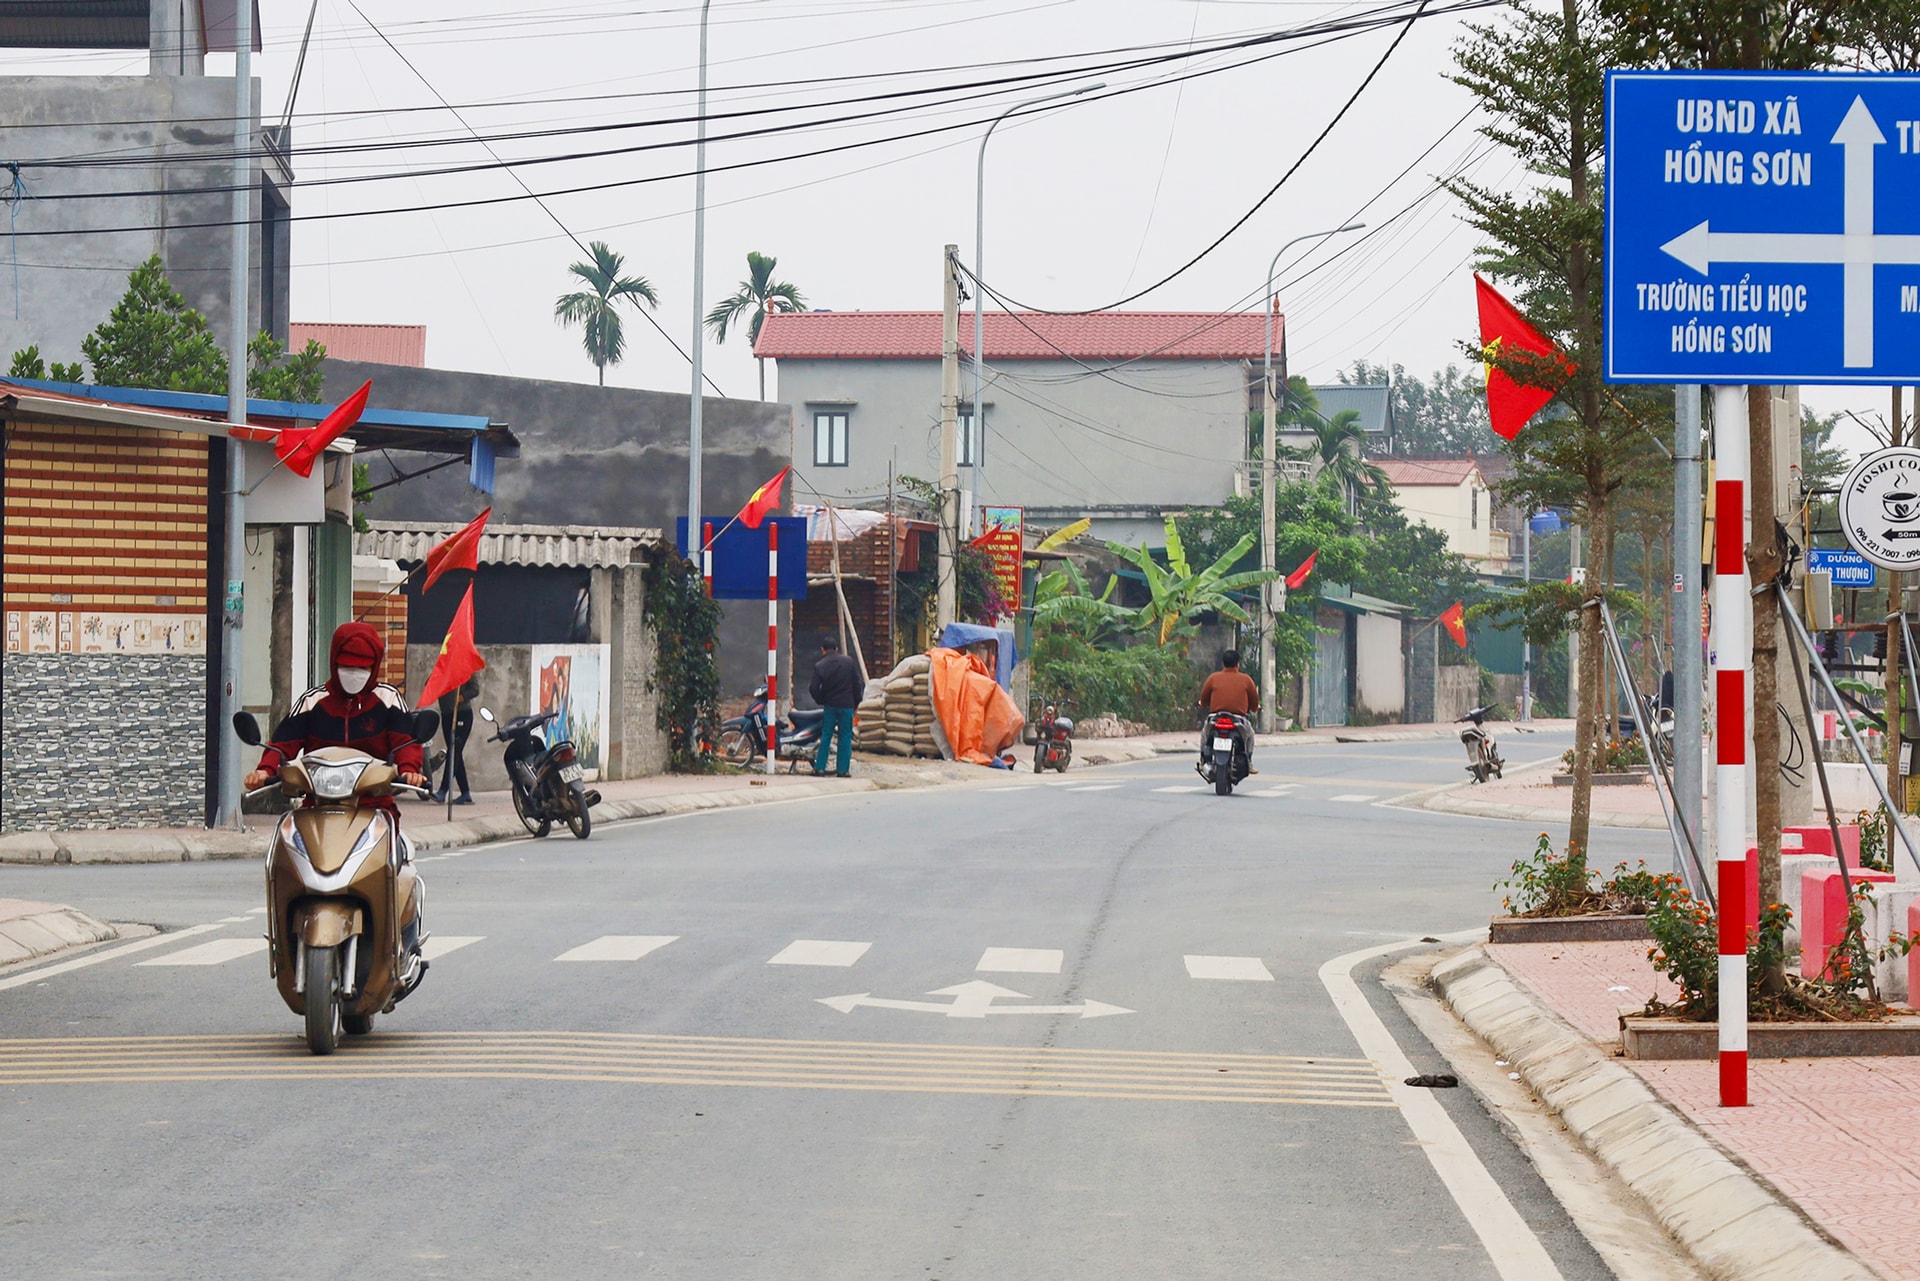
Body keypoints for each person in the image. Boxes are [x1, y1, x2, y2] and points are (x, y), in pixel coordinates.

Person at [244, 622, 432, 954]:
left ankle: (398, 940)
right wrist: (264, 770)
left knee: (395, 860)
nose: (354, 673)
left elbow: (406, 741)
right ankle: (284, 937)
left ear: (374, 666)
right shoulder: (313, 701)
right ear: (333, 662)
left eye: (362, 667)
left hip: (375, 807)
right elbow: (283, 743)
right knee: (283, 856)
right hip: (317, 806)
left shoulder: (387, 699)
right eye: (346, 665)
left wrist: (410, 770)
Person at [1196, 648, 1260, 772]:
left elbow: (1203, 700)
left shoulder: (1213, 678)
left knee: (1204, 734)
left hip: (1216, 718)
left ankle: (1203, 760)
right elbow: (1254, 705)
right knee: (1250, 735)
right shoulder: (1246, 680)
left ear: (1223, 663)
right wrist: (1255, 708)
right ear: (1238, 664)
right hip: (1238, 720)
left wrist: (1202, 704)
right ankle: (1249, 762)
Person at [808, 634, 862, 778]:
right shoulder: (849, 662)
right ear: (836, 649)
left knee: (826, 736)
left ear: (823, 650)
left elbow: (813, 688)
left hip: (830, 706)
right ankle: (843, 770)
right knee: (845, 737)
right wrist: (856, 703)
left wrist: (821, 700)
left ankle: (819, 768)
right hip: (846, 706)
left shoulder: (820, 665)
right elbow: (857, 684)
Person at [435, 675, 480, 804]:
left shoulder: (465, 668)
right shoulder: (443, 668)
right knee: (455, 752)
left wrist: (463, 697)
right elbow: (431, 683)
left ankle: (443, 790)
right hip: (447, 714)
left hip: (461, 713)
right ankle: (465, 793)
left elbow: (475, 689)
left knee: (454, 750)